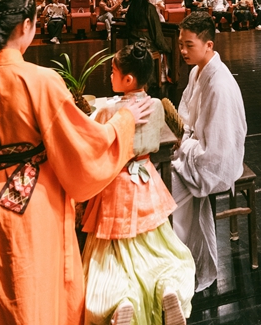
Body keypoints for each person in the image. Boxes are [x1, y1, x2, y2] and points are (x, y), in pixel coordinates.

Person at [0, 0, 154, 323]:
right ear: (26, 25)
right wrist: (123, 121)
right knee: (32, 293)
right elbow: (81, 142)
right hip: (33, 201)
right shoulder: (40, 80)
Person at [82, 43, 195, 325]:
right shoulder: (156, 105)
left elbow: (95, 137)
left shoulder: (110, 111)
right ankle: (167, 285)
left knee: (111, 252)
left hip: (117, 181)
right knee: (157, 244)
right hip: (146, 177)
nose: (110, 76)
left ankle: (119, 300)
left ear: (128, 79)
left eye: (113, 72)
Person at [171, 12, 247, 292]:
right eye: (181, 45)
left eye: (189, 45)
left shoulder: (219, 85)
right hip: (195, 148)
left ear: (208, 45)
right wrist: (182, 135)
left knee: (168, 190)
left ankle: (179, 262)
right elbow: (185, 113)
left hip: (216, 160)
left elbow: (218, 150)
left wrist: (184, 145)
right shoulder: (196, 72)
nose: (183, 51)